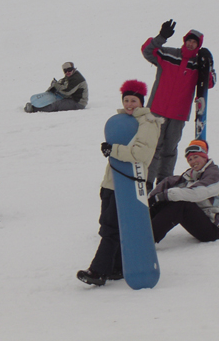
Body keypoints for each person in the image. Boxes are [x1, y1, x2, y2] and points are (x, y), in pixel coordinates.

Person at [77, 80, 162, 286]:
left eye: (134, 100)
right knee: (107, 225)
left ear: (141, 101)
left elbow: (141, 154)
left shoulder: (148, 123)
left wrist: (112, 149)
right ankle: (116, 267)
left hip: (129, 185)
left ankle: (98, 271)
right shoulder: (121, 121)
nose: (129, 104)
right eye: (126, 100)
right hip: (111, 183)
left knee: (112, 228)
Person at [141, 19, 216, 191]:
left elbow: (210, 83)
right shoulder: (168, 54)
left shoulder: (198, 64)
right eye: (188, 40)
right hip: (157, 110)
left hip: (178, 114)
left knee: (170, 148)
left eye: (194, 42)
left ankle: (164, 182)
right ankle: (147, 182)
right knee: (154, 146)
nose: (190, 44)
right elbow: (147, 51)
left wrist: (209, 65)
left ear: (198, 45)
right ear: (184, 41)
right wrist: (161, 37)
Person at [148, 140, 219, 244]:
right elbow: (170, 182)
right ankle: (139, 228)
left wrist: (164, 195)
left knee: (181, 205)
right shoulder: (191, 175)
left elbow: (195, 193)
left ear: (204, 157)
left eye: (196, 157)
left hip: (215, 228)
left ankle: (147, 239)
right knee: (166, 200)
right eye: (190, 159)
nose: (193, 162)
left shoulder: (213, 175)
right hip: (202, 219)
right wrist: (150, 199)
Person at [24, 62, 88, 113]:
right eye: (65, 71)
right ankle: (40, 103)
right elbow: (63, 83)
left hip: (78, 103)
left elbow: (67, 92)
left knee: (57, 104)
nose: (67, 72)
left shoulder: (77, 79)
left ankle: (34, 109)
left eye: (69, 70)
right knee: (56, 97)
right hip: (71, 98)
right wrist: (53, 87)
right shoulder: (71, 76)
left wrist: (56, 86)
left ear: (73, 69)